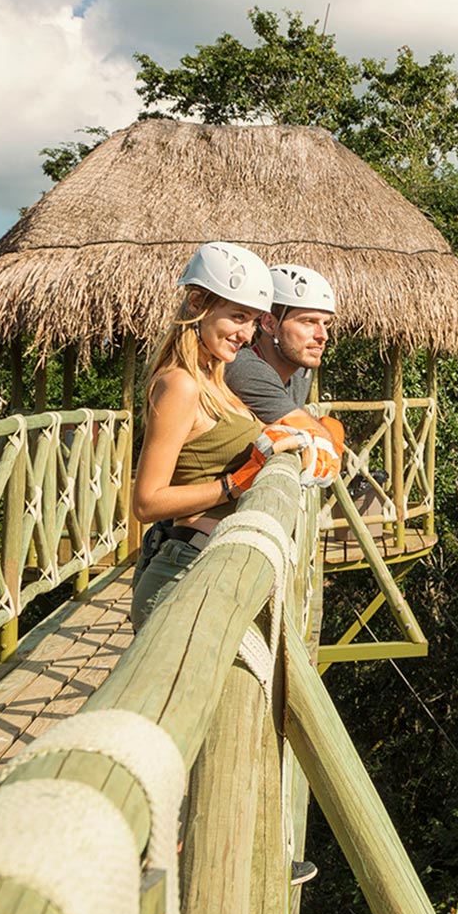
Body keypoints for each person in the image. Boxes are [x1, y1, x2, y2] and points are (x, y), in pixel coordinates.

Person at [131, 240, 287, 626]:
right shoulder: (181, 385)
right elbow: (146, 502)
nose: (247, 334)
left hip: (208, 566)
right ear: (198, 303)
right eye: (237, 317)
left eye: (253, 321)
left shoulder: (214, 379)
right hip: (183, 571)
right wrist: (234, 484)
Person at [225, 263, 336, 438]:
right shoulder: (243, 368)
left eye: (326, 324)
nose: (323, 336)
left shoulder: (300, 373)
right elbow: (318, 438)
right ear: (270, 323)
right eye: (308, 321)